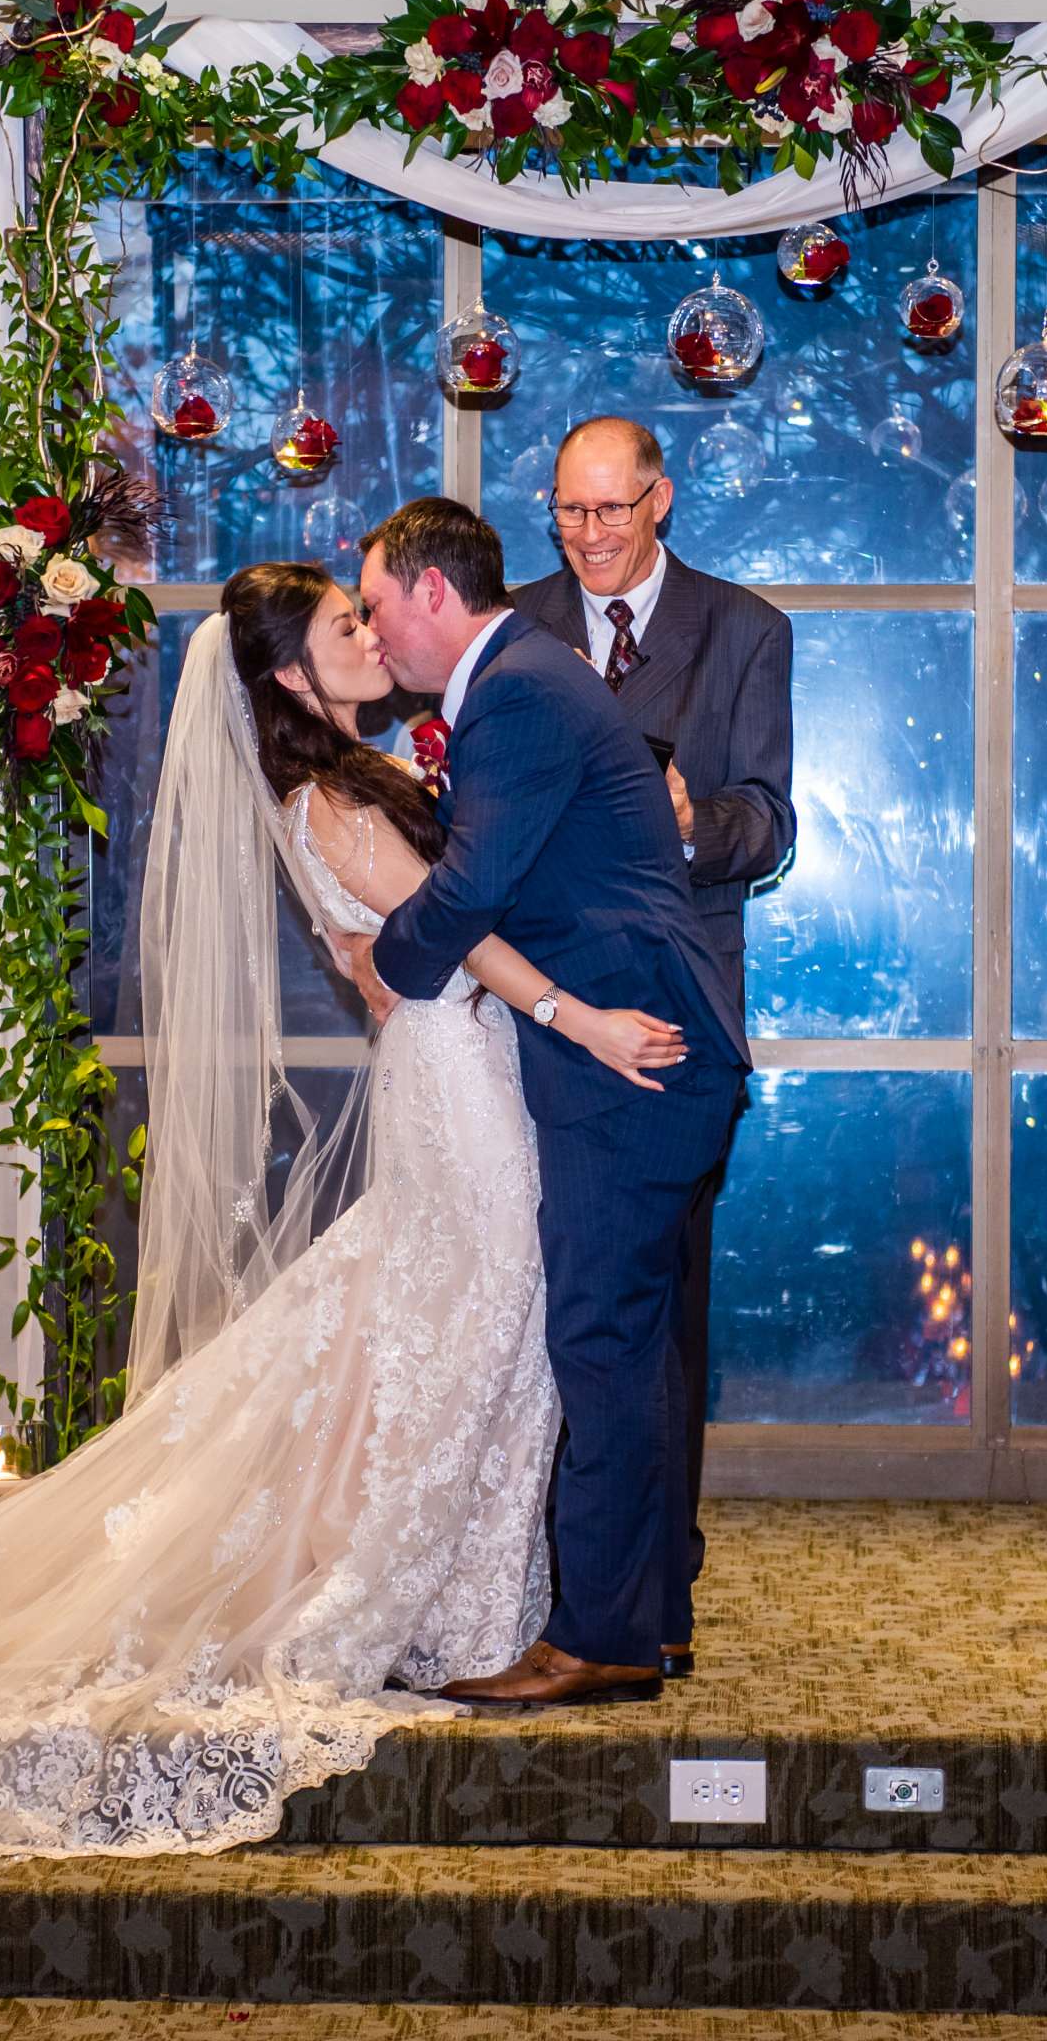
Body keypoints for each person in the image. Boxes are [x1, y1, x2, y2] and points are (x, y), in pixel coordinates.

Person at [0, 561, 681, 1993]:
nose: (368, 635)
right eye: (344, 629)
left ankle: (444, 1595)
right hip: (469, 1075)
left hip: (454, 1068)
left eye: (368, 616)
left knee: (441, 1322)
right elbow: (453, 938)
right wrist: (586, 1017)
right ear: (289, 678)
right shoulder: (335, 796)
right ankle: (399, 1596)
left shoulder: (346, 776)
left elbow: (396, 949)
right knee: (462, 1318)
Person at [358, 497, 751, 1708]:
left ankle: (606, 1638)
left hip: (628, 1056)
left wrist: (390, 961)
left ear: (433, 594)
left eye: (375, 609)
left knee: (601, 1342)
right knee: (623, 1341)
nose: (372, 639)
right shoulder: (534, 671)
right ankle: (642, 1621)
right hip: (637, 1044)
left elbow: (473, 882)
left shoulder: (517, 691)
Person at [513, 416, 794, 1651]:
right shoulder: (512, 622)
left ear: (660, 500)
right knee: (543, 1305)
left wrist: (689, 823)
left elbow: (772, 823)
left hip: (674, 1015)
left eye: (612, 512)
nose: (591, 539)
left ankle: (654, 1593)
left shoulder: (744, 631)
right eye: (570, 514)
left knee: (655, 1310)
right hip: (534, 1004)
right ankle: (547, 1580)